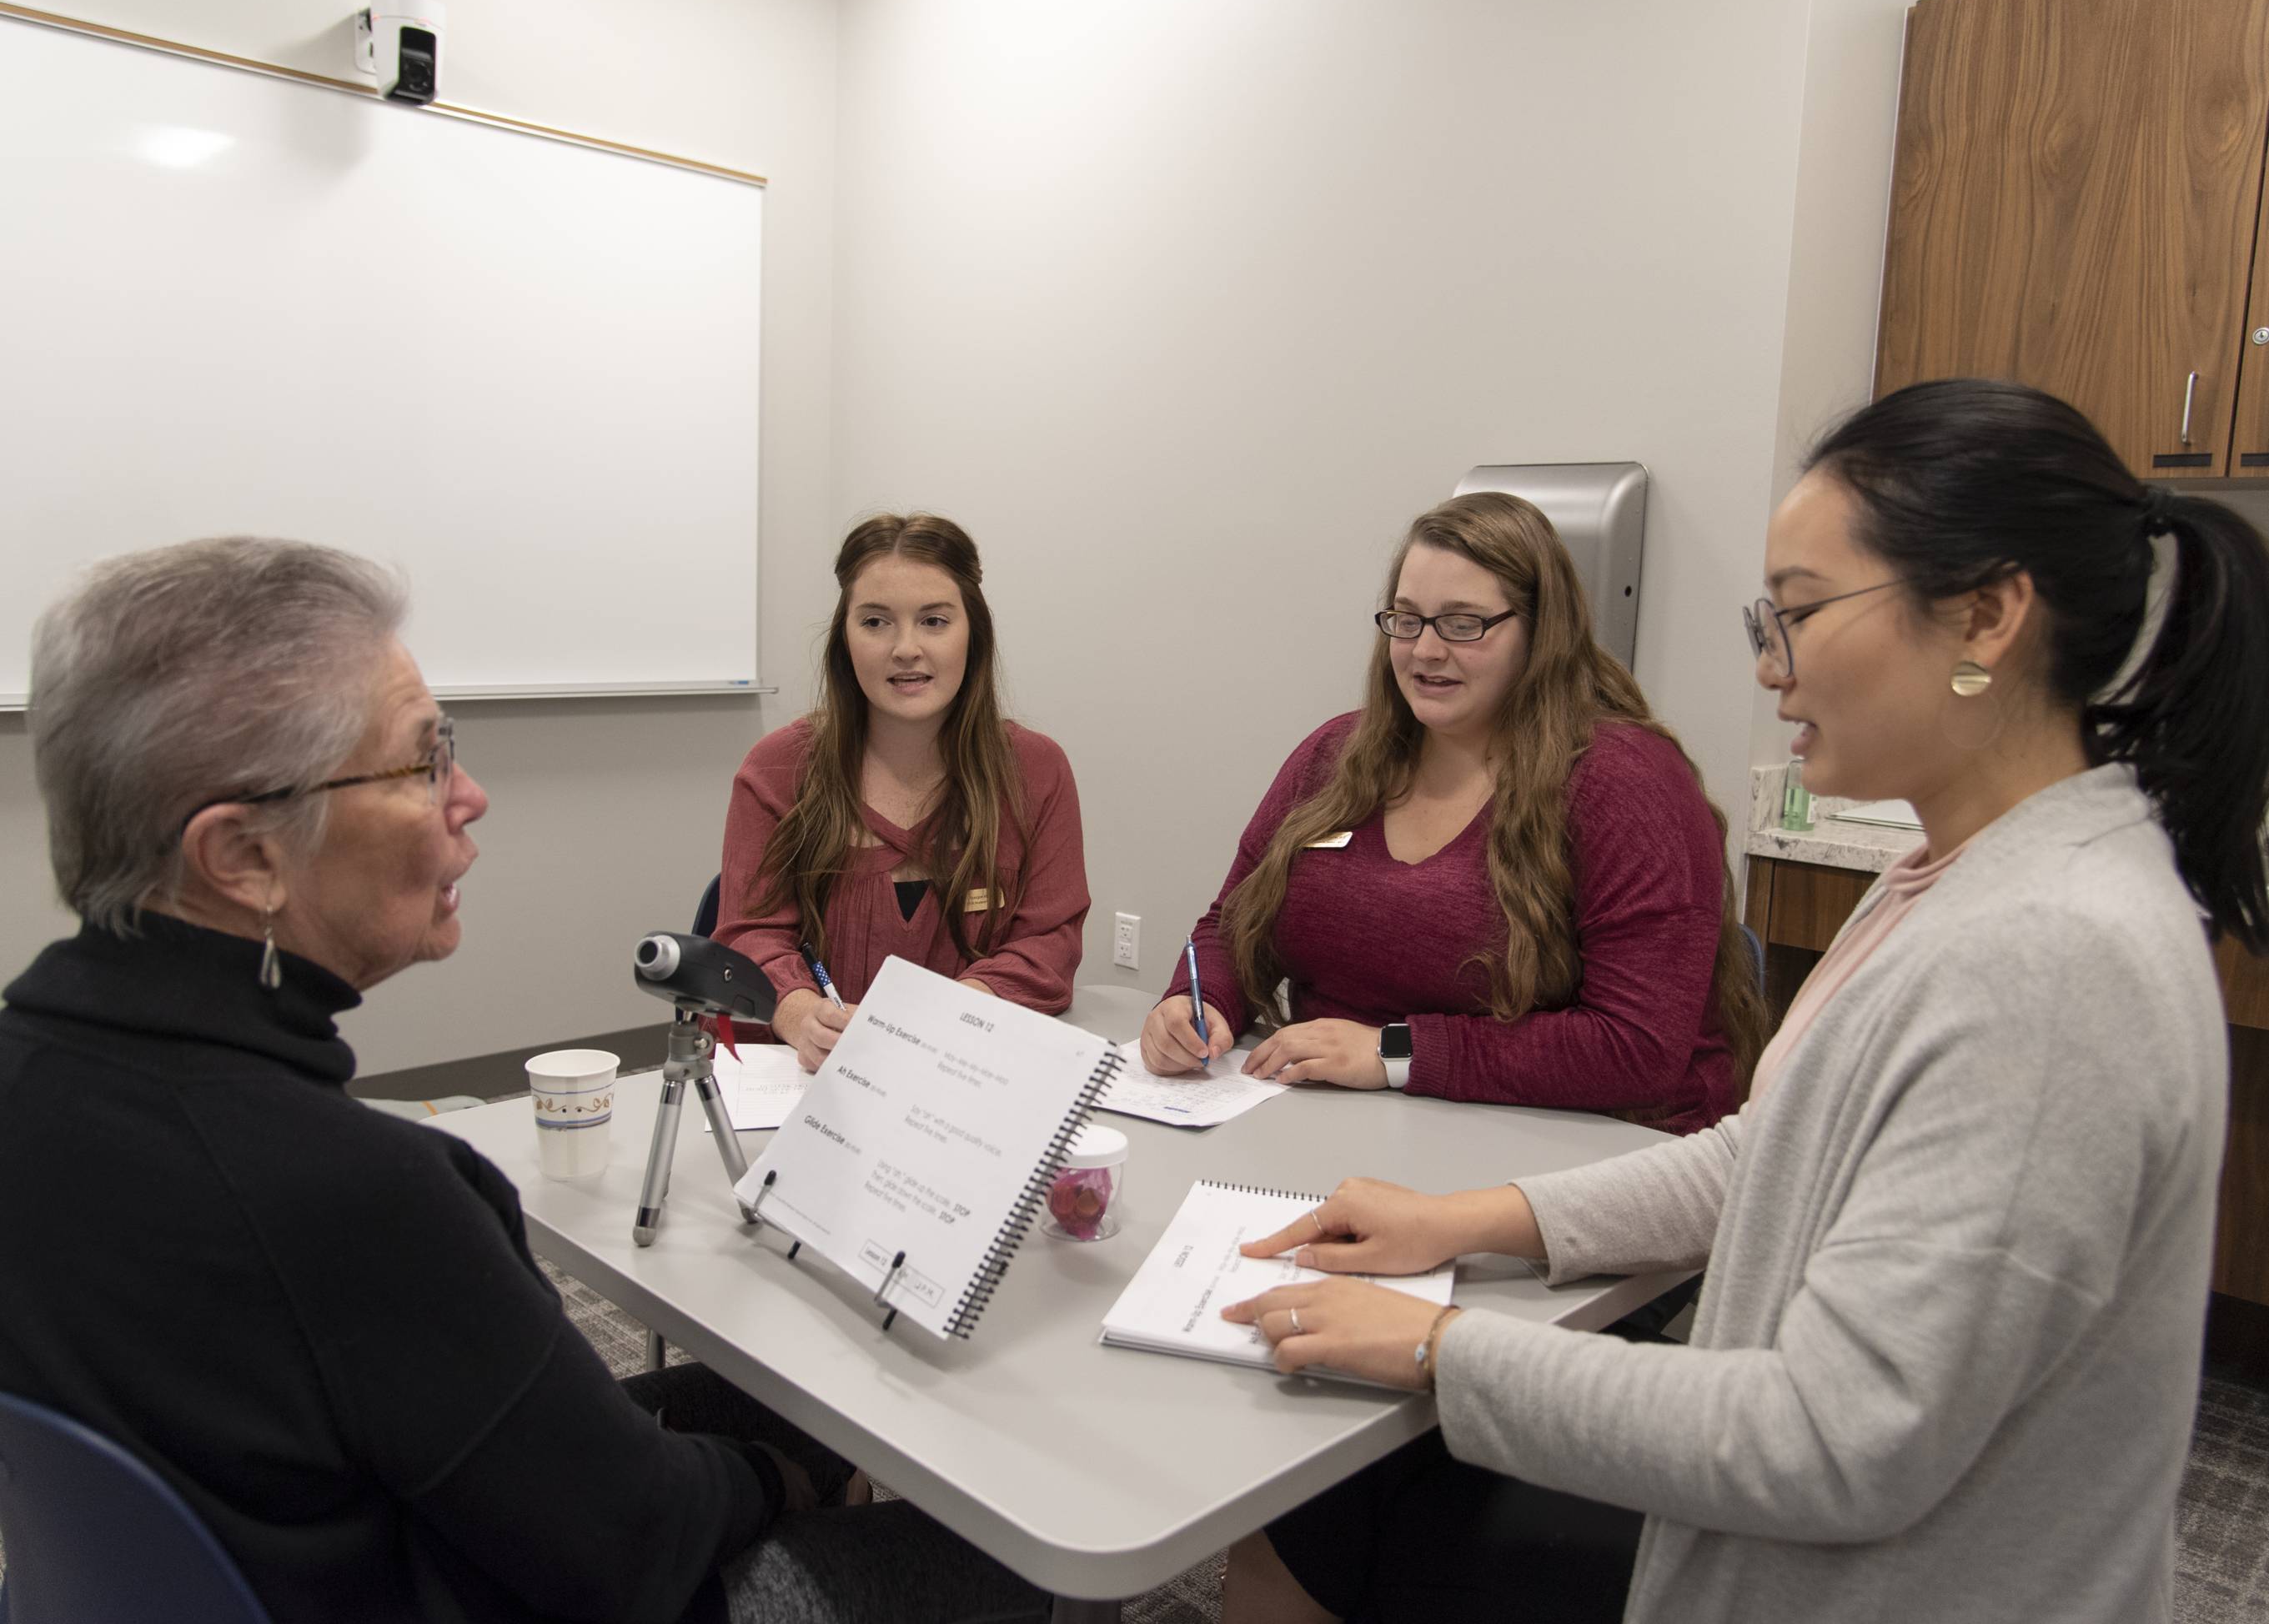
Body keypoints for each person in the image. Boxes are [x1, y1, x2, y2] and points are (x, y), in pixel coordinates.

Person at [1215, 379, 2268, 1624]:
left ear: (1986, 616)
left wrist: (1436, 1350)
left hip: (1878, 1576)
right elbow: (1765, 1157)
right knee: (1327, 1504)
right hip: (1795, 1534)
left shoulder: (2050, 956)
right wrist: (1462, 1222)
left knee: (1357, 1484)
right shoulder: (1954, 872)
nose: (1770, 668)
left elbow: (1838, 1440)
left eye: (1805, 613)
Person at [0, 538, 1045, 1624]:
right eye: (421, 761)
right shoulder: (361, 1196)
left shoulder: (35, 1077)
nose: (473, 796)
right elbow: (634, 1542)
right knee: (1006, 1546)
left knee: (750, 1403)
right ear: (243, 858)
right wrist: (799, 1484)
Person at [1139, 491, 1764, 1136]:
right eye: (1406, 621)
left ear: (1538, 632)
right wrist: (1199, 1001)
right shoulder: (1335, 756)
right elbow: (1232, 928)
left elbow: (1635, 1048)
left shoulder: (1623, 781)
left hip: (1582, 1149)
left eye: (1463, 624)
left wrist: (1392, 1053)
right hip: (1350, 1127)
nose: (1426, 652)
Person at [715, 513, 1088, 1069]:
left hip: (964, 1070)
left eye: (934, 621)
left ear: (973, 633)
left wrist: (937, 1022)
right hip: (806, 1079)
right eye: (875, 622)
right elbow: (750, 934)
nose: (906, 649)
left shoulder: (1035, 770)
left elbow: (1048, 945)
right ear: (845, 638)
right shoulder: (777, 768)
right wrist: (798, 1015)